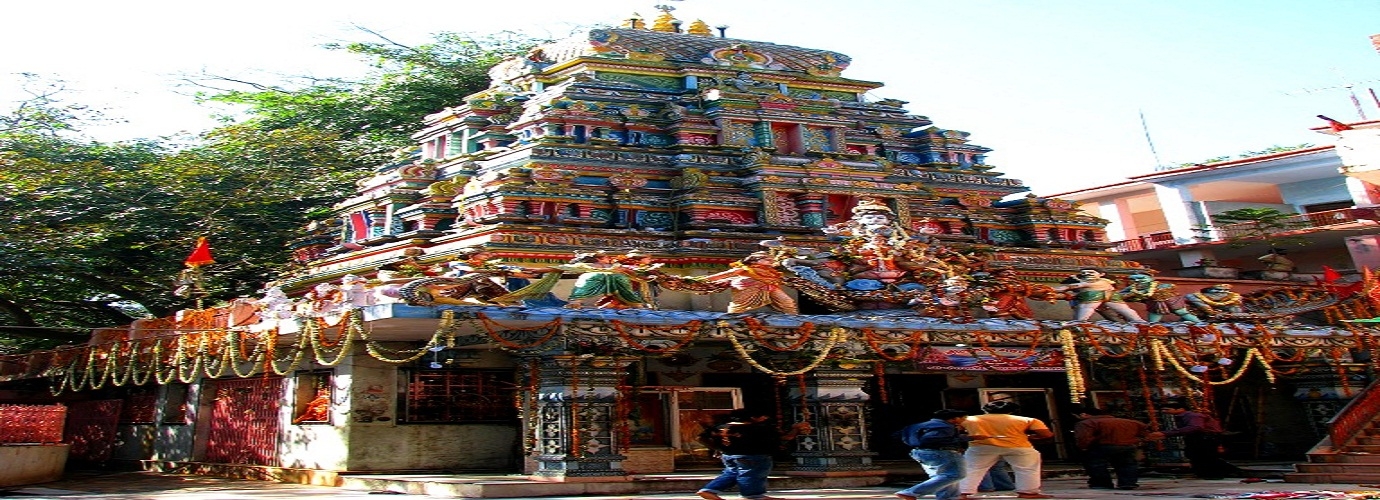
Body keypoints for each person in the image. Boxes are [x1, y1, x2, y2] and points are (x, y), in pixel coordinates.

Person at [696, 408, 812, 500]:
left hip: (729, 455)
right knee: (752, 475)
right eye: (762, 416)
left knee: (731, 474)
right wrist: (796, 428)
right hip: (753, 455)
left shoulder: (721, 427)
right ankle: (752, 495)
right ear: (753, 417)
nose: (764, 418)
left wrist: (718, 448)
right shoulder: (758, 428)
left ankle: (709, 490)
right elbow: (787, 437)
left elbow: (700, 437)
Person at [956, 400, 1055, 499]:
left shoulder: (969, 419)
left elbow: (955, 432)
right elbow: (1047, 434)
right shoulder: (1027, 420)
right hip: (1018, 446)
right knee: (1028, 469)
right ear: (1011, 410)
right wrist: (1031, 437)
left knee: (972, 469)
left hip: (981, 447)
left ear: (985, 410)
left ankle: (963, 493)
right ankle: (1028, 493)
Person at [895, 409, 993, 500]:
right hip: (941, 451)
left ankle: (949, 496)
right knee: (955, 474)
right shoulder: (945, 426)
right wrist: (969, 438)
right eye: (963, 418)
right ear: (953, 419)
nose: (964, 420)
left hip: (920, 451)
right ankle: (911, 492)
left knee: (943, 475)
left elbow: (899, 435)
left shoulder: (919, 425)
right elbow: (932, 439)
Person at [1146, 401, 1241, 480]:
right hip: (1200, 438)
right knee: (1196, 455)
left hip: (1205, 438)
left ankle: (1213, 474)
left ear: (1180, 409)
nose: (1164, 411)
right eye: (1163, 410)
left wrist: (1167, 433)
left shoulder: (1192, 416)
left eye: (1167, 409)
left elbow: (1195, 427)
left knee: (1206, 456)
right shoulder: (1183, 417)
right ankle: (1205, 474)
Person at [1074, 406, 1149, 490]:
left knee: (1097, 465)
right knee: (1127, 464)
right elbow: (1145, 434)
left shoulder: (1087, 423)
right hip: (1127, 445)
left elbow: (1083, 438)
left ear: (1084, 414)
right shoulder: (1131, 422)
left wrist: (1083, 447)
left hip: (1102, 446)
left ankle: (1102, 483)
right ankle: (1127, 483)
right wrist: (1136, 442)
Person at [700, 252, 799, 314]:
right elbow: (725, 274)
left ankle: (794, 318)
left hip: (770, 287)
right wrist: (702, 280)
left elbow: (781, 279)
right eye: (767, 259)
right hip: (747, 286)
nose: (770, 261)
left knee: (787, 302)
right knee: (739, 306)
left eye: (771, 260)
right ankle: (730, 319)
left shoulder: (772, 271)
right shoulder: (745, 268)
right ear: (754, 260)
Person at [1052, 267, 1144, 322]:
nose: (1087, 274)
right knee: (1124, 310)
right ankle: (1138, 321)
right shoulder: (1106, 281)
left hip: (1093, 296)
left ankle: (1080, 322)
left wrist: (1052, 290)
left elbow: (1071, 287)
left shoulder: (1098, 281)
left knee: (1085, 309)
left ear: (1101, 274)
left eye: (1091, 272)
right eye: (1084, 273)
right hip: (1110, 296)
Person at [1118, 273, 1200, 323]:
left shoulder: (1160, 285)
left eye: (1141, 278)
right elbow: (1120, 294)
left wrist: (1143, 292)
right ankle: (1153, 330)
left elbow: (1170, 287)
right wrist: (1132, 294)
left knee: (1183, 313)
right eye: (1134, 279)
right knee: (1153, 321)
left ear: (1150, 278)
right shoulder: (1133, 287)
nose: (1136, 280)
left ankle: (1199, 324)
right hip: (1155, 304)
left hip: (1172, 301)